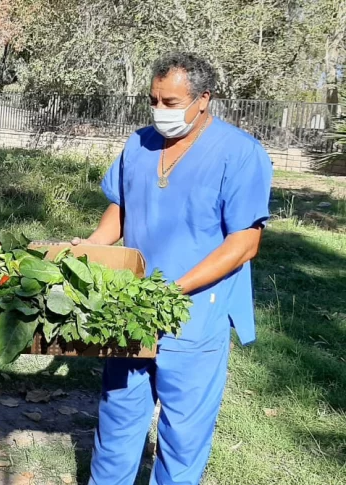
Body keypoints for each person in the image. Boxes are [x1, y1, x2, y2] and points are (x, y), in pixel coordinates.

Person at [74, 52, 273, 485]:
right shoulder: (138, 144)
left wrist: (174, 291)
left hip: (195, 315)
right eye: (153, 100)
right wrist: (91, 248)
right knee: (116, 423)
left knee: (182, 438)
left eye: (171, 102)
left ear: (203, 99)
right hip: (131, 310)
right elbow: (121, 207)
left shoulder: (239, 153)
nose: (159, 111)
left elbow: (244, 243)